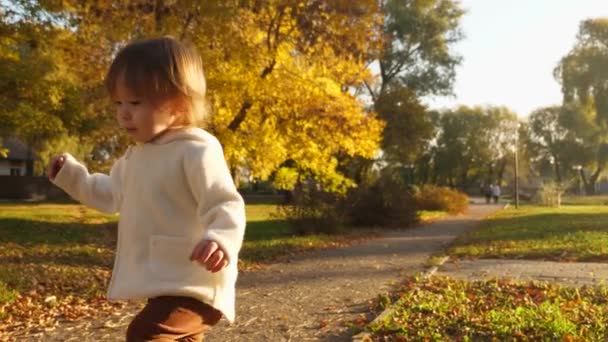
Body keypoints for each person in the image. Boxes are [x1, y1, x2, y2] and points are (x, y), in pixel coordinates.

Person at [48, 37, 246, 341]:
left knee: (146, 333)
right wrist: (73, 177)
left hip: (196, 282)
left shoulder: (196, 149)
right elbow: (109, 194)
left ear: (178, 104)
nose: (124, 113)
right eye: (119, 103)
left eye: (136, 103)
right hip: (164, 281)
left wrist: (220, 239)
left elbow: (225, 203)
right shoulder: (135, 157)